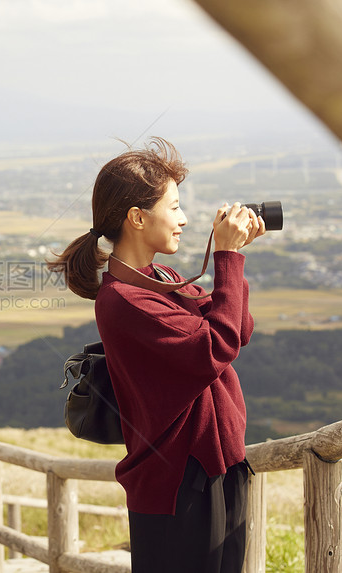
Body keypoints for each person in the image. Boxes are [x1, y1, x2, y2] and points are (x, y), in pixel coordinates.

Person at [48, 137, 265, 572]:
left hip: (217, 471)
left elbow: (237, 330)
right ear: (137, 217)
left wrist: (231, 260)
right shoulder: (124, 300)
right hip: (178, 491)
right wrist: (226, 257)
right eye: (176, 206)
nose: (184, 219)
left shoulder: (158, 277)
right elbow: (213, 347)